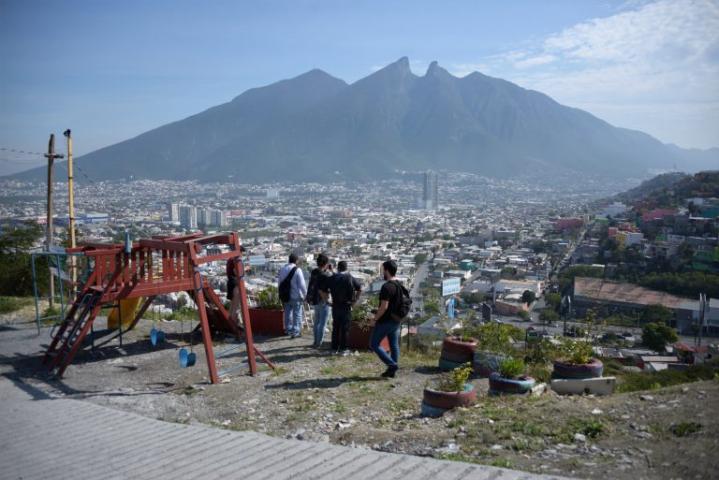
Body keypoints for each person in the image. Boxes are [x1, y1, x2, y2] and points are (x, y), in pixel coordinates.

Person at [369, 259, 406, 378]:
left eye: (382, 270)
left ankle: (392, 365)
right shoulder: (399, 285)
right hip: (396, 320)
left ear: (387, 271)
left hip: (386, 321)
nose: (381, 273)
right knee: (394, 345)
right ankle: (391, 372)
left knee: (374, 344)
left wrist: (375, 319)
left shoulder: (387, 287)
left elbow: (384, 306)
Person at [325, 260, 361, 355]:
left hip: (335, 305)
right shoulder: (349, 277)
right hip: (347, 305)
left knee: (336, 327)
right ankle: (344, 349)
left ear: (338, 267)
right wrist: (355, 301)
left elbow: (324, 289)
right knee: (345, 328)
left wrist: (327, 300)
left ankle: (334, 348)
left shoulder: (333, 278)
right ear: (346, 267)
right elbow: (360, 288)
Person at [277, 253, 307, 338]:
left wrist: (280, 294)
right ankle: (295, 331)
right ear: (296, 260)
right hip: (295, 296)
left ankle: (288, 329)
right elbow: (302, 285)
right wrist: (305, 295)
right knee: (297, 314)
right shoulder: (297, 270)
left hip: (285, 295)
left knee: (287, 313)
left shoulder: (283, 269)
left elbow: (279, 283)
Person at [306, 253, 333, 348]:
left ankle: (315, 342)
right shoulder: (326, 275)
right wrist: (331, 270)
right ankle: (318, 343)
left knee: (316, 322)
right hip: (323, 300)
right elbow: (331, 282)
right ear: (326, 263)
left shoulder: (314, 272)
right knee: (322, 323)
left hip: (314, 299)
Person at [226, 245, 247, 327]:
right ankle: (234, 327)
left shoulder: (229, 259)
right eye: (242, 253)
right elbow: (236, 271)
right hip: (235, 284)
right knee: (236, 307)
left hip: (230, 283)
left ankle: (230, 324)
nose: (242, 255)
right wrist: (245, 269)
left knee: (232, 306)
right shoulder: (235, 260)